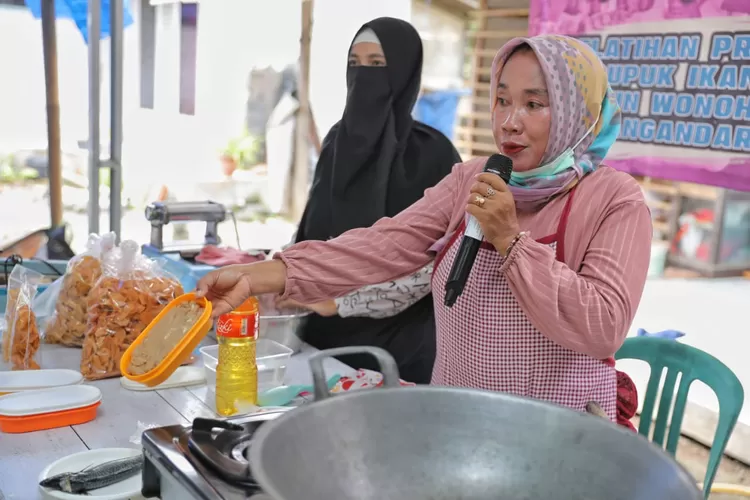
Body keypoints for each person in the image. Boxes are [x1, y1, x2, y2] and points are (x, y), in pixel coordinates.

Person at [196, 34, 651, 428]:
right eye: (502, 99)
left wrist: (511, 241)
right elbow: (384, 244)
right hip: (454, 420)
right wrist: (258, 275)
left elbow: (603, 326)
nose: (509, 121)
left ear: (576, 111)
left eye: (534, 104)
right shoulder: (472, 180)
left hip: (555, 438)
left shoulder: (614, 200)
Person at [278, 18, 461, 384]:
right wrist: (281, 273)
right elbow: (313, 230)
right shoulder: (336, 141)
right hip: (319, 337)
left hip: (397, 349)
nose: (364, 75)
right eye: (355, 63)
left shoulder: (433, 154)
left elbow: (437, 263)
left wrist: (344, 303)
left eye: (378, 65)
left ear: (405, 71)